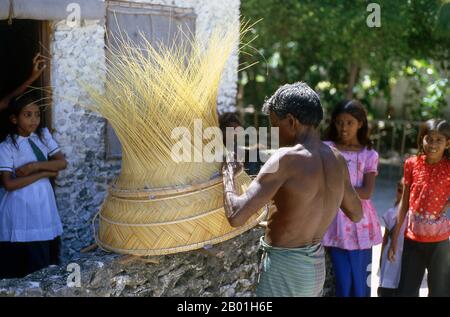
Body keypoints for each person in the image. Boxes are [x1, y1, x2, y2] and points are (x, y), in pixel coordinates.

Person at [222, 82, 363, 297]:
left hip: (285, 270)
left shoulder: (286, 159)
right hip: (315, 268)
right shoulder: (337, 159)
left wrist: (227, 172)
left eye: (274, 125)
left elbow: (236, 215)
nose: (274, 134)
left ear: (291, 122)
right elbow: (356, 212)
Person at [0, 94, 67, 279]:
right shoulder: (7, 146)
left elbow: (61, 163)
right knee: (17, 263)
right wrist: (44, 173)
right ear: (14, 119)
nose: (34, 120)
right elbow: (9, 184)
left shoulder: (43, 136)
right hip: (19, 208)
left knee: (41, 260)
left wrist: (33, 166)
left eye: (37, 114)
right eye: (27, 115)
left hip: (42, 205)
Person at [322, 100, 383, 297]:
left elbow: (367, 192)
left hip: (361, 225)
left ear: (360, 124)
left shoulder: (369, 155)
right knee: (342, 281)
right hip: (335, 222)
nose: (344, 127)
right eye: (339, 122)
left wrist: (336, 189)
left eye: (349, 122)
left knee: (360, 281)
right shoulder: (326, 148)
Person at [388, 119, 450, 297]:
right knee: (406, 290)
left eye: (439, 140)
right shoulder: (412, 164)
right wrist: (394, 237)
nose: (433, 144)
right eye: (429, 139)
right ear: (422, 139)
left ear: (448, 143)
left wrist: (447, 203)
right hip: (413, 239)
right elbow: (404, 202)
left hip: (440, 242)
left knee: (440, 290)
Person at [377, 178, 405, 297]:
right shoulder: (390, 213)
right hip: (390, 261)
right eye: (399, 189)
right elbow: (385, 239)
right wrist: (380, 260)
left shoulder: (414, 216)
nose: (402, 192)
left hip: (405, 262)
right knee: (387, 290)